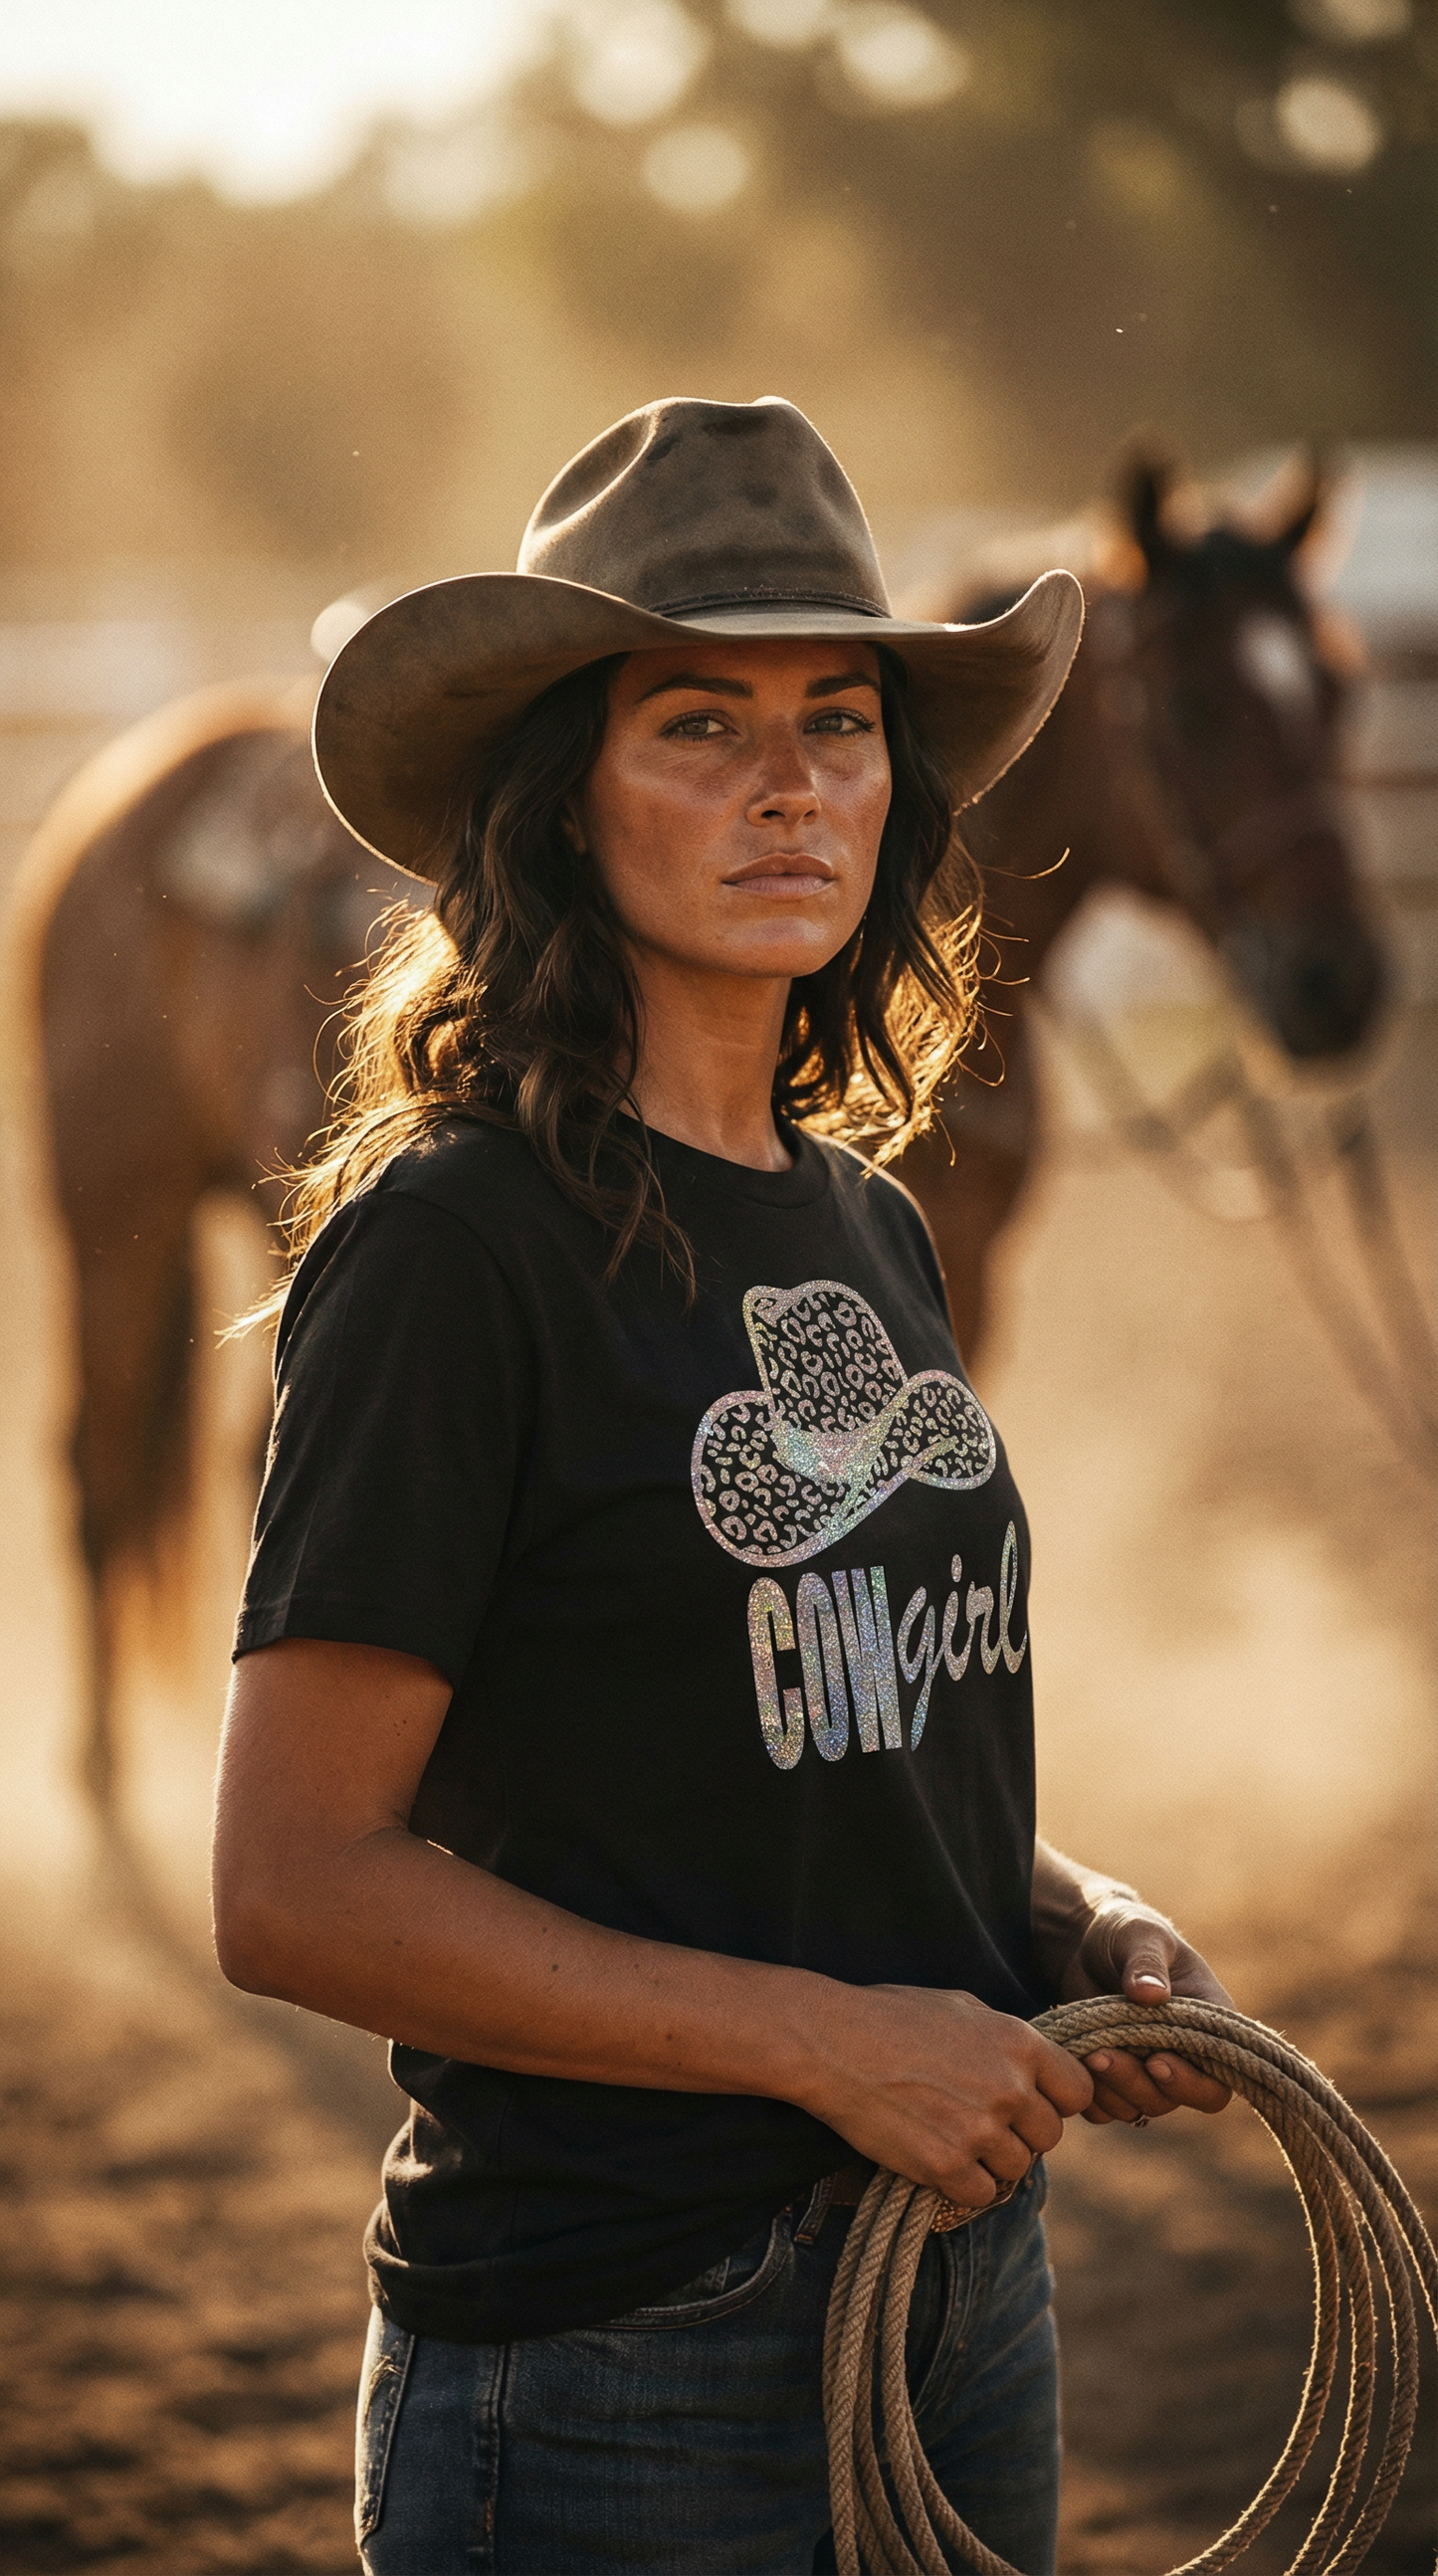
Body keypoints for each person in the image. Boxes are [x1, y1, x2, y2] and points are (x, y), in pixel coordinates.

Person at [211, 396, 1233, 2576]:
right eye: (699, 722)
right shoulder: (454, 1249)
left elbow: (801, 1707)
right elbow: (293, 1879)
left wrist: (1062, 1919)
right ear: (557, 800)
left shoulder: (860, 1222)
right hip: (625, 2343)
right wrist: (832, 2046)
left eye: (838, 723)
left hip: (958, 2289)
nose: (790, 786)